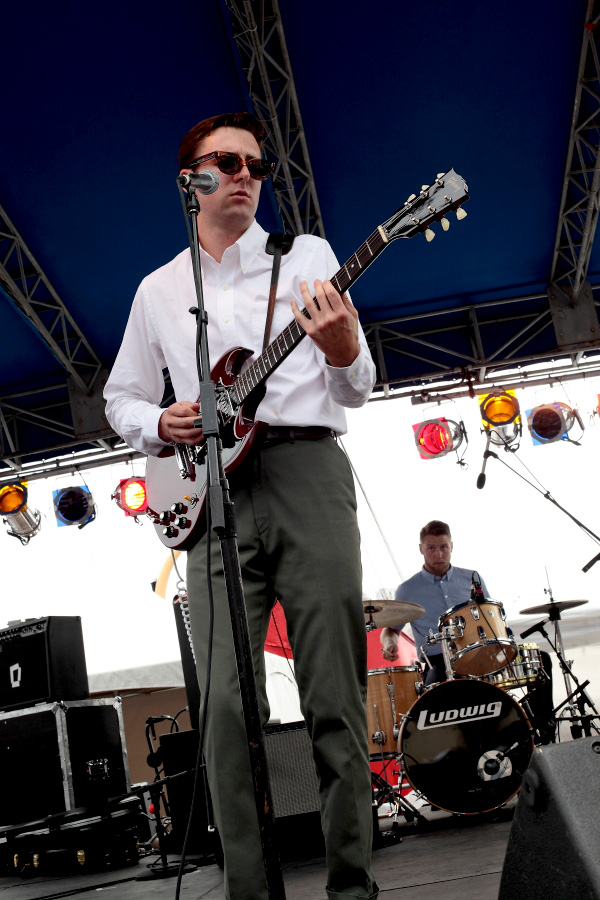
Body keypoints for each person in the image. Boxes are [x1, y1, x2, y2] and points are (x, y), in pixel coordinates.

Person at [104, 112, 378, 900]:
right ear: (190, 178)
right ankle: (251, 892)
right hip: (211, 494)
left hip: (306, 472)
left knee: (335, 693)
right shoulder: (158, 290)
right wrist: (158, 421)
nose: (247, 175)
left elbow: (357, 388)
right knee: (225, 708)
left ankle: (351, 886)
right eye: (227, 162)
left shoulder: (310, 258)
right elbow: (119, 396)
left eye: (257, 165)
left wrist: (343, 351)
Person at [380, 520, 555, 742]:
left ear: (451, 546)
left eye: (443, 547)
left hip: (485, 653)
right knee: (436, 688)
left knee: (542, 659)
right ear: (421, 549)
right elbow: (391, 631)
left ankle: (541, 733)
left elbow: (492, 616)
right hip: (440, 662)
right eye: (431, 548)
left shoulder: (472, 578)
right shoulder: (407, 589)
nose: (438, 553)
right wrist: (388, 644)